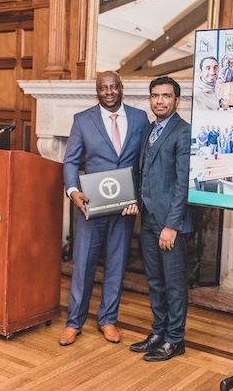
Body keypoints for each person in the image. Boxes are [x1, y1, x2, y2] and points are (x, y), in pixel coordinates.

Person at [60, 71, 148, 346]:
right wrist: (73, 191)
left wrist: (138, 200)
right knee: (83, 264)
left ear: (122, 88)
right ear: (96, 91)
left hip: (124, 208)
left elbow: (144, 163)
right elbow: (71, 161)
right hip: (90, 206)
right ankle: (74, 322)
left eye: (113, 87)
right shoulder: (82, 120)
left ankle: (107, 319)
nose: (108, 92)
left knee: (117, 263)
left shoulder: (139, 118)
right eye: (102, 88)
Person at [129, 76, 194, 362]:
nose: (160, 101)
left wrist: (172, 225)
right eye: (155, 95)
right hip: (148, 219)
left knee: (174, 284)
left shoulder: (183, 132)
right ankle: (158, 331)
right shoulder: (149, 129)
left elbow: (183, 183)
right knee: (154, 280)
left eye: (166, 96)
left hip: (170, 224)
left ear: (177, 100)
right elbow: (142, 172)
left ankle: (175, 340)